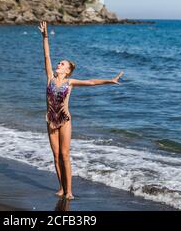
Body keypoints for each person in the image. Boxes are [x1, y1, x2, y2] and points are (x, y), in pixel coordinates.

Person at [39, 20, 123, 200]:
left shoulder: (70, 82)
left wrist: (110, 80)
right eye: (59, 63)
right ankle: (61, 188)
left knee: (64, 155)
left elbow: (91, 82)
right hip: (50, 120)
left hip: (65, 121)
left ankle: (69, 191)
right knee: (55, 156)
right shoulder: (49, 78)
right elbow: (46, 56)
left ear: (68, 71)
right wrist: (45, 36)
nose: (58, 65)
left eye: (62, 64)